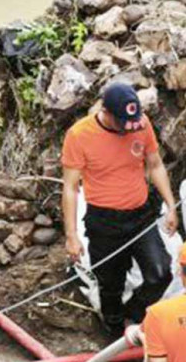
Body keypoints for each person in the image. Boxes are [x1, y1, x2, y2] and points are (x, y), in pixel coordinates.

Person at [62, 82, 177, 340]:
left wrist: (171, 206)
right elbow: (70, 188)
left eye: (133, 121)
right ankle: (114, 328)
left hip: (141, 216)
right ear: (107, 112)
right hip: (104, 221)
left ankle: (133, 313)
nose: (129, 128)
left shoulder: (140, 124)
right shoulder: (79, 135)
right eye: (123, 122)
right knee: (110, 284)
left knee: (160, 273)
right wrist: (71, 235)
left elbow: (155, 164)